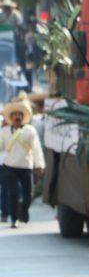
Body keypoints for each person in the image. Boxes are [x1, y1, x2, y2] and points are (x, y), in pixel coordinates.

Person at [0, 97, 44, 228]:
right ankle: (14, 218)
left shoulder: (30, 131)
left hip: (26, 166)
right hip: (9, 166)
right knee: (12, 193)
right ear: (11, 117)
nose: (17, 117)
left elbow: (36, 148)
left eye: (20, 114)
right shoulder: (4, 132)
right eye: (15, 115)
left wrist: (39, 164)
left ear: (23, 116)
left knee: (28, 195)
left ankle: (23, 212)